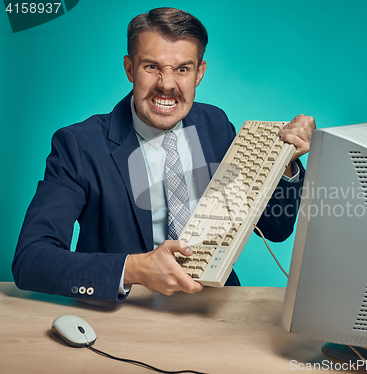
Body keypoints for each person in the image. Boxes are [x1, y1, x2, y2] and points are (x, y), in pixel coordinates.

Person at [12, 7, 316, 301]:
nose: (167, 85)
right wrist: (135, 268)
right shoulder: (78, 145)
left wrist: (285, 162)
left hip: (216, 307)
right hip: (125, 314)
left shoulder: (216, 125)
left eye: (182, 69)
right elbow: (31, 259)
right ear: (130, 69)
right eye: (151, 67)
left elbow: (275, 229)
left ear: (199, 73)